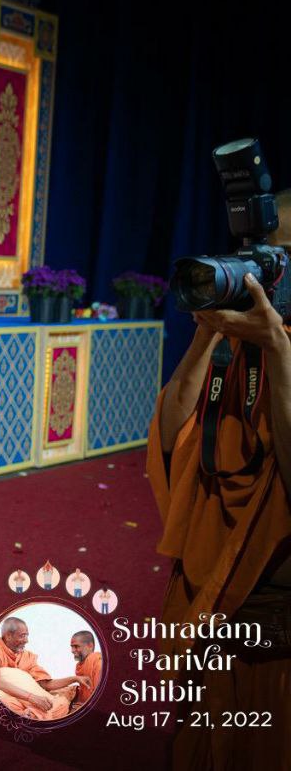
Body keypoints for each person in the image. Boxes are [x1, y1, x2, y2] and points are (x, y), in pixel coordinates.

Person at [149, 222, 291, 770]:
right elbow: (172, 440)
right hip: (209, 576)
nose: (257, 269)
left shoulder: (271, 343)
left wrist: (278, 347)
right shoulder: (232, 345)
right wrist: (205, 335)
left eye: (274, 257)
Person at [0, 618, 81, 720]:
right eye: (22, 636)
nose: (26, 640)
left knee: (60, 704)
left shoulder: (27, 656)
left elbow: (45, 684)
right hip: (8, 699)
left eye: (27, 635)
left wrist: (74, 679)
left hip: (26, 703)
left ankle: (32, 715)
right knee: (1, 701)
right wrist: (31, 697)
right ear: (8, 636)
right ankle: (30, 715)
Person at [69, 631, 101, 708]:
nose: (72, 651)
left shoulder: (98, 663)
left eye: (76, 646)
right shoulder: (80, 665)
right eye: (72, 647)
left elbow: (100, 696)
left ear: (90, 646)